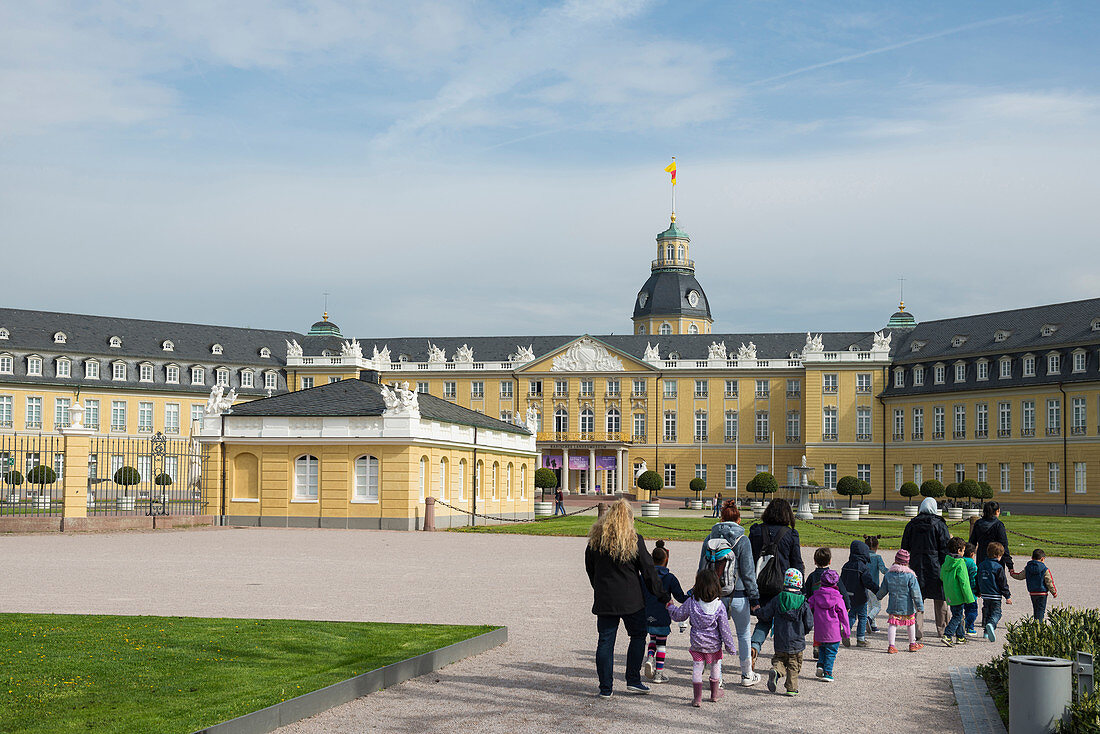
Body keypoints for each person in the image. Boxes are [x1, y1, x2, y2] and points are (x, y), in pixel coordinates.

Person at [584, 499, 670, 698]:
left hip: (606, 598)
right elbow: (649, 572)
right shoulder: (634, 539)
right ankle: (633, 679)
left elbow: (590, 569)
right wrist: (662, 596)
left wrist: (598, 587)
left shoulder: (596, 541)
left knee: (605, 642)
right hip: (631, 599)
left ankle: (605, 687)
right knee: (638, 636)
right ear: (629, 518)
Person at [698, 500, 761, 687]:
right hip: (739, 594)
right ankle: (746, 675)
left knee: (716, 635)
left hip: (714, 596)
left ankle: (718, 677)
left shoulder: (709, 538)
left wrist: (698, 592)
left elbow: (702, 568)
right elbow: (749, 573)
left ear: (721, 518)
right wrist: (754, 597)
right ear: (739, 520)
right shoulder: (743, 540)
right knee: (743, 634)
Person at [667, 569, 739, 707]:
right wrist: (730, 647)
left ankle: (697, 698)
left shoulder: (692, 602)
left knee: (697, 667)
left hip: (697, 643)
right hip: (714, 644)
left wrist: (670, 607)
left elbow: (679, 615)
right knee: (715, 666)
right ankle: (714, 694)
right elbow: (725, 629)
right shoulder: (719, 605)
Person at [749, 498, 804, 668]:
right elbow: (797, 563)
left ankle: (754, 646)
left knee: (764, 620)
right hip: (782, 584)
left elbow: (749, 560)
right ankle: (782, 660)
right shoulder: (790, 534)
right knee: (784, 621)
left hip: (759, 582)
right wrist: (800, 588)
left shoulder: (756, 531)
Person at [755, 568, 814, 697]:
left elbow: (766, 613)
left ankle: (776, 671)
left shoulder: (778, 598)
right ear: (800, 584)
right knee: (794, 664)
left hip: (780, 639)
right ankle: (791, 688)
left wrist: (757, 610)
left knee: (779, 659)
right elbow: (809, 622)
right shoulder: (803, 602)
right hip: (796, 641)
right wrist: (805, 631)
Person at [901, 496, 951, 640]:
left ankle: (918, 631)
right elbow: (945, 547)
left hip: (917, 563)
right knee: (940, 599)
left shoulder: (912, 524)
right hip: (936, 564)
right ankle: (943, 630)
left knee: (918, 598)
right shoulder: (939, 524)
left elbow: (905, 546)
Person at [642, 540, 688, 683]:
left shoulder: (644, 576)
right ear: (666, 559)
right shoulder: (669, 578)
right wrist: (693, 593)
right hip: (662, 614)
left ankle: (650, 657)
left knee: (652, 639)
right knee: (661, 644)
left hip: (647, 613)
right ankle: (659, 674)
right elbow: (681, 597)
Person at [803, 547, 851, 662]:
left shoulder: (812, 576)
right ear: (830, 561)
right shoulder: (834, 576)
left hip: (816, 607)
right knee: (830, 627)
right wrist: (847, 605)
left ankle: (817, 646)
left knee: (818, 628)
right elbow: (843, 592)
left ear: (814, 561)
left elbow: (807, 593)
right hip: (832, 608)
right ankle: (828, 646)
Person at [875, 549, 924, 653]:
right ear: (907, 562)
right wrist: (920, 606)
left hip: (893, 604)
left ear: (895, 560)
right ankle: (912, 644)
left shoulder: (889, 574)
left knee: (893, 624)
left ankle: (891, 645)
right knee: (910, 623)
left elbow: (883, 589)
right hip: (907, 606)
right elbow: (916, 592)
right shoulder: (911, 576)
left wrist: (878, 596)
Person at [806, 569, 849, 682]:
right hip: (833, 631)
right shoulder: (838, 598)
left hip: (819, 630)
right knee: (831, 652)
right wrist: (846, 631)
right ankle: (828, 673)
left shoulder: (816, 595)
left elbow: (807, 607)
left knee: (822, 648)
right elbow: (844, 615)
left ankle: (820, 665)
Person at [840, 539, 879, 647]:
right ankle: (860, 639)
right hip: (861, 597)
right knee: (862, 617)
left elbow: (841, 581)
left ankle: (846, 632)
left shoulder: (846, 565)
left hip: (849, 596)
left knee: (851, 616)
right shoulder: (863, 567)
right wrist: (877, 590)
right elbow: (868, 582)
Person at [940, 536, 976, 646]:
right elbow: (964, 582)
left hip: (949, 593)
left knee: (958, 614)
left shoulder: (946, 561)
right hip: (958, 594)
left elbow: (941, 576)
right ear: (959, 550)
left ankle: (960, 636)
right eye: (963, 550)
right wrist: (969, 597)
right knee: (958, 616)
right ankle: (948, 634)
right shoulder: (960, 563)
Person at [976, 541, 1013, 642]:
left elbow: (978, 579)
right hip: (995, 594)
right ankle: (991, 625)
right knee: (997, 612)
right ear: (997, 555)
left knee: (987, 611)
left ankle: (986, 633)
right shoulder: (998, 567)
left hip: (985, 593)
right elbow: (1002, 583)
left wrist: (978, 591)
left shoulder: (982, 565)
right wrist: (1007, 596)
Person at [1011, 548, 1058, 622]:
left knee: (1036, 609)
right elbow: (1049, 582)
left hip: (1033, 592)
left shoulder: (1028, 568)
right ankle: (1039, 625)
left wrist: (1012, 573)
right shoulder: (1044, 569)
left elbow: (1020, 576)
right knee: (1041, 610)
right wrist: (1054, 592)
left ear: (1032, 558)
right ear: (1042, 559)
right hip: (1042, 593)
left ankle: (1036, 622)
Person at [969, 501, 1014, 572]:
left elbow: (972, 542)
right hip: (996, 558)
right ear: (997, 511)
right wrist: (1010, 564)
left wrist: (968, 557)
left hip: (982, 557)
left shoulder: (978, 523)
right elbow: (1004, 545)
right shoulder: (998, 525)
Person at [864, 535, 889, 633]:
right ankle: (869, 619)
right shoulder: (877, 557)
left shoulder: (864, 557)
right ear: (877, 546)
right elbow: (883, 570)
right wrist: (892, 571)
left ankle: (873, 625)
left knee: (870, 605)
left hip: (865, 585)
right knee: (877, 606)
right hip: (874, 586)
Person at [963, 543, 980, 636]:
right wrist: (977, 590)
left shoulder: (961, 560)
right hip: (971, 592)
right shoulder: (971, 563)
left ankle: (970, 627)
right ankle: (967, 624)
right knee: (973, 611)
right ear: (972, 554)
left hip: (961, 591)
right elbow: (974, 578)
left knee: (965, 609)